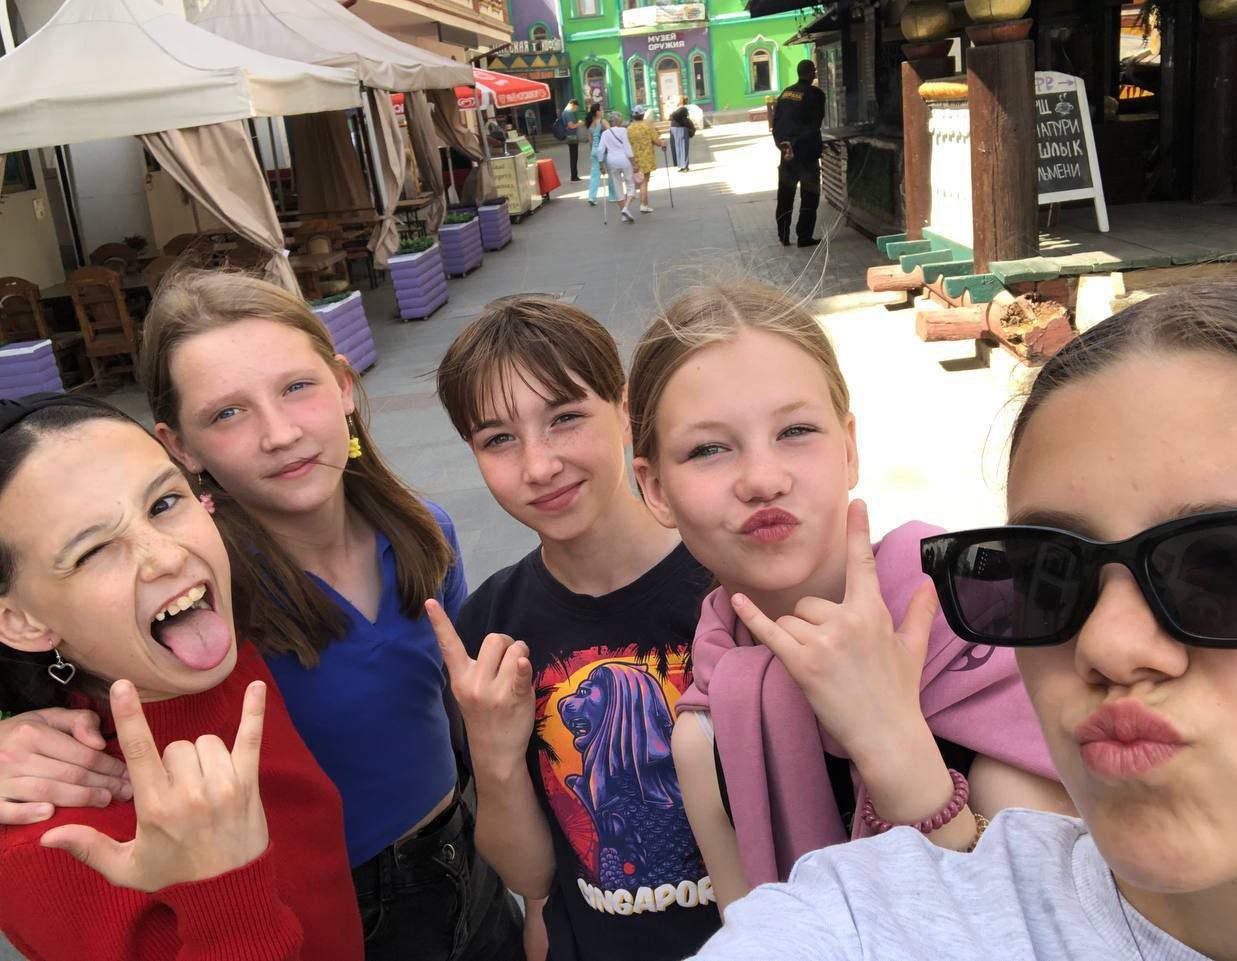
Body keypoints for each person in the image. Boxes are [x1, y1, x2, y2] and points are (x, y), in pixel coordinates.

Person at [692, 282, 1237, 960]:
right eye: (1049, 572)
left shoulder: (953, 629)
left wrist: (898, 751)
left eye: (1225, 571)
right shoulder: (713, 716)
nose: (1107, 643)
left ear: (849, 446)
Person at [0, 272, 524, 961]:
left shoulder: (425, 532)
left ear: (344, 385)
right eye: (227, 413)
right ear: (180, 446)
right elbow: (88, 667)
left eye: (297, 386)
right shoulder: (205, 596)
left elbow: (458, 708)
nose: (279, 433)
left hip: (467, 855)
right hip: (346, 906)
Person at [627, 281, 1070, 912]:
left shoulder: (988, 624)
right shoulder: (708, 731)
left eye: (796, 430)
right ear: (655, 490)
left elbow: (1061, 920)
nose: (763, 479)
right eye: (709, 449)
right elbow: (756, 937)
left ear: (850, 447)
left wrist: (892, 742)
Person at [0, 394, 363, 959]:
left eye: (165, 503)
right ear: (21, 621)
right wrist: (224, 897)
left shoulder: (225, 633)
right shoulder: (50, 845)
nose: (166, 557)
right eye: (93, 551)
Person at [432, 297, 724, 961]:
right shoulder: (492, 629)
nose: (538, 466)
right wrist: (494, 754)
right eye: (498, 439)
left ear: (624, 411)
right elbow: (531, 878)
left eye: (564, 418)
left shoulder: (726, 580)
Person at [771, 60, 825, 248]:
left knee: (785, 196)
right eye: (814, 71)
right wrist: (798, 143)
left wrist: (784, 145)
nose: (815, 74)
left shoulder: (785, 93)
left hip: (787, 154)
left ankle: (784, 235)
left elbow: (776, 122)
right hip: (806, 155)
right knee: (809, 196)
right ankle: (804, 236)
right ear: (811, 73)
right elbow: (815, 124)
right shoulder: (815, 94)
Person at [598, 112, 638, 224]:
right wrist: (634, 163)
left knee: (617, 187)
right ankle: (626, 208)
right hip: (624, 159)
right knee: (630, 185)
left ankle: (624, 214)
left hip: (611, 161)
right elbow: (627, 148)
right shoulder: (623, 131)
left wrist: (601, 165)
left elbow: (600, 150)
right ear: (618, 121)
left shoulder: (605, 133)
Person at [626, 105, 664, 214]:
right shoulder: (648, 126)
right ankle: (644, 205)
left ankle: (636, 202)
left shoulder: (629, 129)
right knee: (644, 182)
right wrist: (662, 143)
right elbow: (656, 141)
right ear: (643, 115)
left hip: (634, 159)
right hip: (646, 158)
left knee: (638, 181)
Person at [586, 104, 617, 208]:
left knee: (595, 175)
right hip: (604, 150)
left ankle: (592, 197)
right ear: (597, 112)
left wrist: (592, 153)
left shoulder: (590, 125)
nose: (603, 111)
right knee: (611, 172)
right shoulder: (602, 122)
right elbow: (611, 134)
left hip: (594, 151)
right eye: (601, 109)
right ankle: (612, 196)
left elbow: (590, 142)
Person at [668, 97, 695, 173]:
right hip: (675, 130)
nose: (674, 101)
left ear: (680, 101)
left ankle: (685, 166)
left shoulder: (682, 109)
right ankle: (681, 166)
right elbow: (670, 117)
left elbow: (673, 116)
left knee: (683, 148)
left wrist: (671, 113)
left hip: (681, 130)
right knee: (677, 149)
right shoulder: (678, 109)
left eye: (675, 100)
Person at [561, 98, 582, 182]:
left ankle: (574, 175)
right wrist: (579, 124)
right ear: (573, 105)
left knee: (574, 156)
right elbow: (571, 126)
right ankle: (574, 176)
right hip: (571, 137)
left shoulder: (565, 112)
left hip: (570, 136)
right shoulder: (568, 113)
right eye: (576, 108)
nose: (576, 110)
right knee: (574, 156)